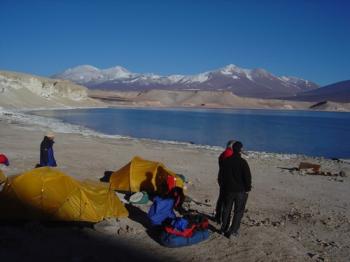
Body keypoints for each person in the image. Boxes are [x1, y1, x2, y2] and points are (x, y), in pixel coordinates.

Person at [220, 141, 251, 239]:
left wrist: (223, 186)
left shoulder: (226, 161)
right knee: (238, 211)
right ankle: (233, 231)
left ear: (232, 149)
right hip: (240, 191)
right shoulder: (243, 162)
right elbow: (247, 177)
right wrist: (248, 188)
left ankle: (224, 229)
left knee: (226, 209)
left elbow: (222, 176)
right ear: (240, 150)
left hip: (228, 190)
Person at [215, 140, 236, 224]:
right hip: (226, 179)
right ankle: (221, 218)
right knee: (225, 199)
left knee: (222, 198)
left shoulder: (225, 153)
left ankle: (218, 217)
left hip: (222, 177)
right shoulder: (229, 153)